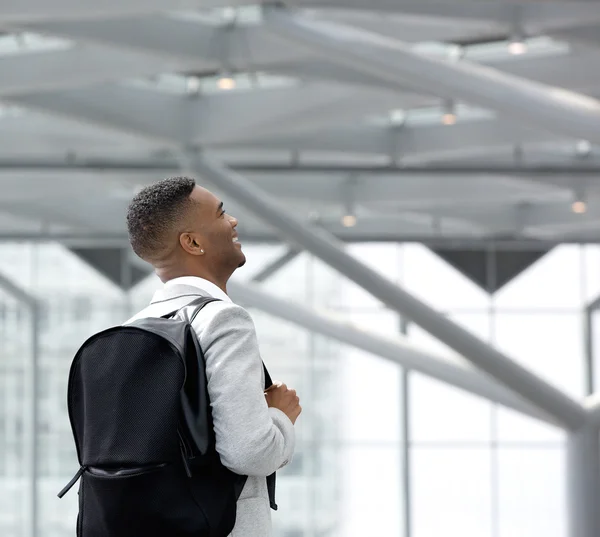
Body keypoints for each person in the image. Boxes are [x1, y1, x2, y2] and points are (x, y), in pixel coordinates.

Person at [125, 176, 301, 537]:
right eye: (221, 214)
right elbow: (249, 452)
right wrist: (280, 416)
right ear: (192, 242)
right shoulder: (223, 319)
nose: (233, 221)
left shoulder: (134, 327)